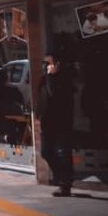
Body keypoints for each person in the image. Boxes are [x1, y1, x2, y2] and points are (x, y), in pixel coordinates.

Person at [41, 53, 76, 197]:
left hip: (61, 123)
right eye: (45, 64)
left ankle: (65, 184)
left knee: (63, 154)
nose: (46, 67)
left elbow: (53, 94)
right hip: (47, 123)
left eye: (49, 64)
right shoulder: (46, 79)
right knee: (45, 152)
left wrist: (51, 76)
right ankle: (60, 177)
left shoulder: (63, 80)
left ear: (57, 65)